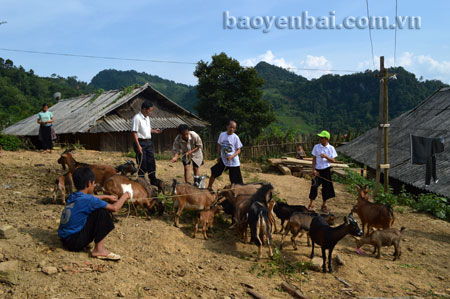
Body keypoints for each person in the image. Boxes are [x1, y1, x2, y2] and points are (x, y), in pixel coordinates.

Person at [58, 167, 131, 260]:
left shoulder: (74, 196)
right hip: (74, 243)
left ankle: (87, 242)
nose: (94, 184)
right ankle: (99, 249)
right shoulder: (89, 200)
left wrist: (106, 196)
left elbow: (91, 198)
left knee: (92, 210)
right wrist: (125, 196)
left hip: (65, 239)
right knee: (102, 212)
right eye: (93, 183)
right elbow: (114, 208)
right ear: (89, 183)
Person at [131, 101, 161, 186]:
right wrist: (138, 146)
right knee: (142, 162)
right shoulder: (137, 118)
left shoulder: (147, 118)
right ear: (144, 109)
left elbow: (147, 130)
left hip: (148, 142)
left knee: (151, 161)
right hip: (141, 142)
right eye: (149, 111)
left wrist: (154, 131)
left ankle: (153, 179)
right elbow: (134, 132)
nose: (150, 113)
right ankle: (142, 180)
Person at [207, 120, 244, 189]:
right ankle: (209, 187)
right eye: (231, 127)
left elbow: (239, 150)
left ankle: (238, 193)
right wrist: (218, 156)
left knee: (235, 180)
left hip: (233, 162)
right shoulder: (222, 135)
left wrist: (232, 156)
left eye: (234, 128)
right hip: (224, 160)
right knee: (214, 172)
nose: (232, 129)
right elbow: (219, 146)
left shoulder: (235, 137)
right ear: (227, 127)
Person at [308, 130, 337, 213]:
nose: (320, 139)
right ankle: (311, 204)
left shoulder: (331, 148)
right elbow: (314, 159)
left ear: (326, 139)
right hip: (317, 170)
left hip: (326, 170)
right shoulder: (316, 147)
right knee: (314, 186)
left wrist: (326, 157)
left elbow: (333, 160)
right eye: (320, 138)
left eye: (322, 138)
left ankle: (324, 205)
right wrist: (313, 169)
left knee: (326, 188)